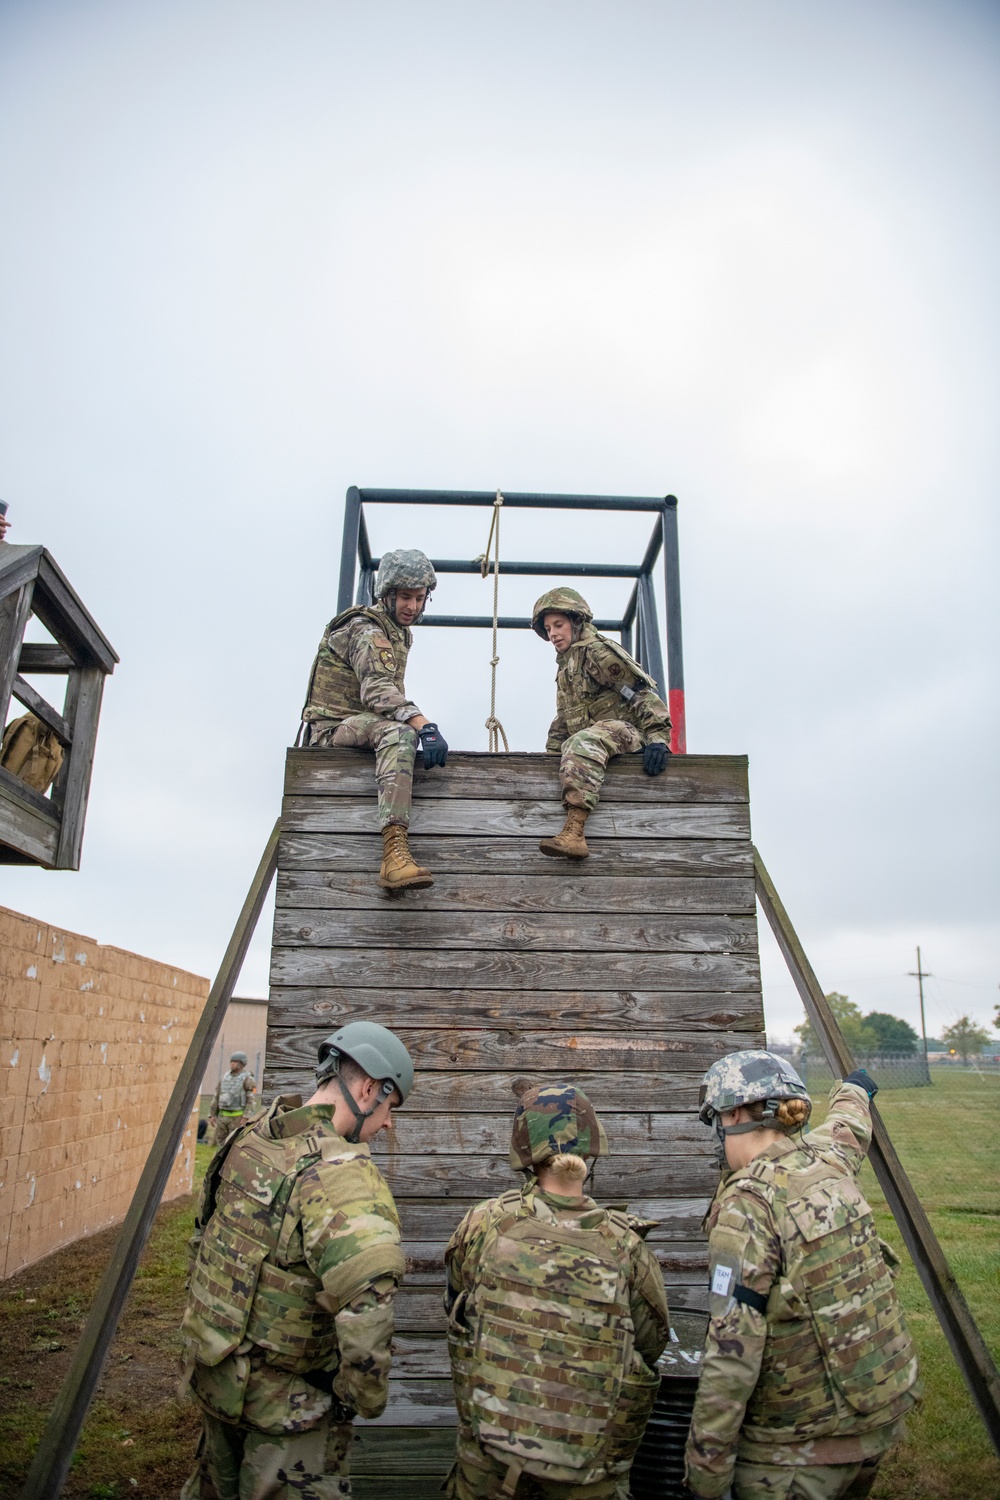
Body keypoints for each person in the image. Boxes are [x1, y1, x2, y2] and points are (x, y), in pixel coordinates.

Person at [179, 1021, 415, 1500]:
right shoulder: (342, 1175)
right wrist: (357, 1399)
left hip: (217, 1380)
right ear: (369, 1088)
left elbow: (204, 1243)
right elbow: (368, 1313)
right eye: (391, 1107)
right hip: (289, 1413)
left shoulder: (248, 1138)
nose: (389, 1123)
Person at [685, 1050, 921, 1500]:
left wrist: (705, 1474)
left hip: (799, 1450)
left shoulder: (747, 1205)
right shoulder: (825, 1162)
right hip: (878, 1419)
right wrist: (856, 1089)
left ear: (734, 1113)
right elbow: (848, 1126)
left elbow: (732, 1353)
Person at [444, 1081, 670, 1499]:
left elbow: (456, 1305)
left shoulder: (484, 1225)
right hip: (586, 1478)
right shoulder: (627, 1248)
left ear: (526, 1154)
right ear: (590, 1151)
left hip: (490, 1468)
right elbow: (650, 1346)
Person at [300, 548, 448, 890]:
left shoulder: (395, 631)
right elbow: (377, 691)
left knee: (401, 733)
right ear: (387, 594)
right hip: (332, 728)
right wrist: (423, 725)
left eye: (419, 598)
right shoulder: (368, 631)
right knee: (400, 735)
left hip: (356, 723)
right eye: (405, 597)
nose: (412, 606)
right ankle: (394, 855)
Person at [532, 588, 672, 859]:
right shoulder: (566, 667)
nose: (553, 634)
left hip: (626, 732)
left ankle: (575, 832)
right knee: (568, 743)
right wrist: (545, 761)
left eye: (558, 625)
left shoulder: (597, 653)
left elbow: (639, 693)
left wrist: (657, 739)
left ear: (576, 621)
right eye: (548, 628)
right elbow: (564, 718)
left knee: (581, 740)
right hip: (593, 739)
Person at [207, 1051, 257, 1145]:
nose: (232, 1063)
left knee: (235, 1144)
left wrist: (246, 1117)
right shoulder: (225, 1077)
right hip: (223, 1117)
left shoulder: (247, 1079)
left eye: (235, 1062)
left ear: (241, 1064)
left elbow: (251, 1100)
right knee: (221, 1144)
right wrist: (212, 1114)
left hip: (237, 1118)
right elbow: (217, 1096)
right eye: (231, 1061)